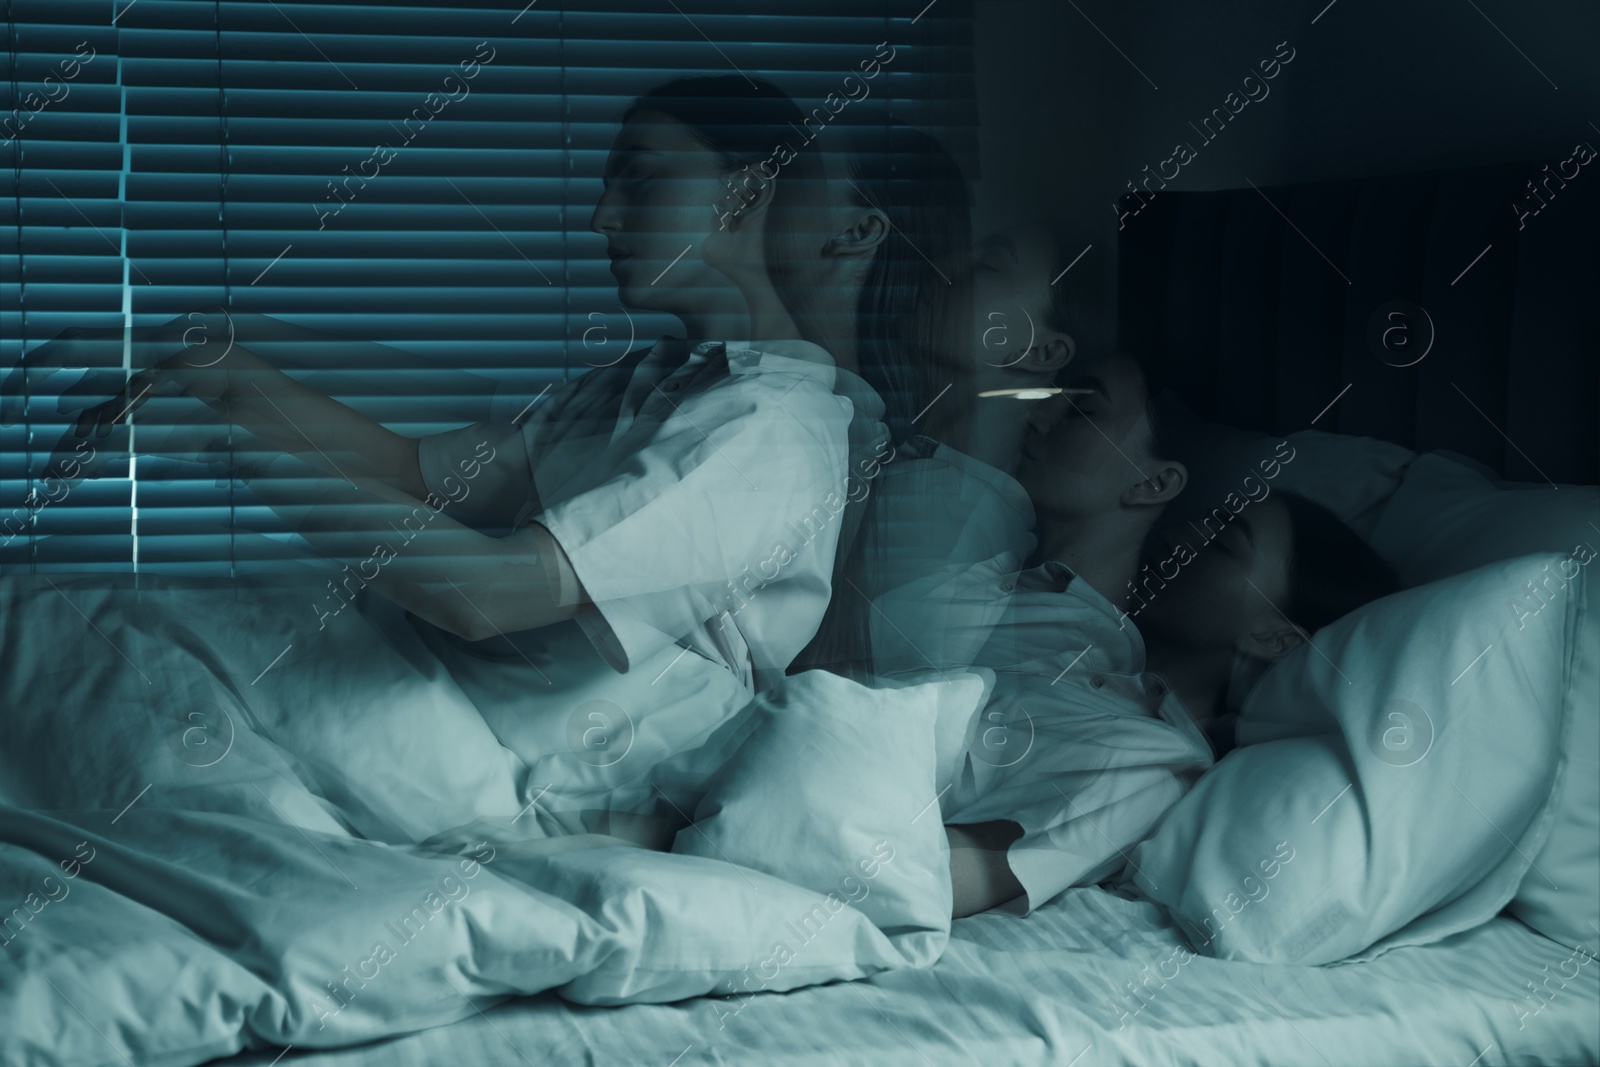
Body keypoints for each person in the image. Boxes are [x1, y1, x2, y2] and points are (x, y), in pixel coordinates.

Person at [935, 355, 1399, 916]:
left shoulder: (1152, 764)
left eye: (1222, 544)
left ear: (1273, 638)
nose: (1181, 535)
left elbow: (937, 874)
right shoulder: (1071, 641)